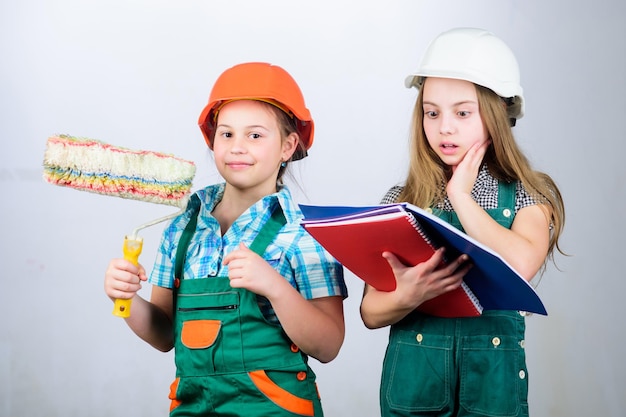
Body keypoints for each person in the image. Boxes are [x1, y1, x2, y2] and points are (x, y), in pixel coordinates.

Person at [104, 62, 348, 416]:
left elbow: (329, 345)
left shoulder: (304, 232)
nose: (237, 147)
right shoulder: (183, 226)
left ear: (288, 146)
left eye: (255, 135)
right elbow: (164, 335)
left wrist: (275, 287)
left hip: (275, 408)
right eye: (227, 134)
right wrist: (127, 299)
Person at [360, 28, 565, 417]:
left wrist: (461, 196)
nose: (445, 127)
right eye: (432, 112)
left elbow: (519, 266)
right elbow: (371, 312)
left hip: (491, 391)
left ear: (498, 114)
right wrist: (407, 296)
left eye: (463, 112)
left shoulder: (529, 197)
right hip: (412, 389)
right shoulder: (401, 201)